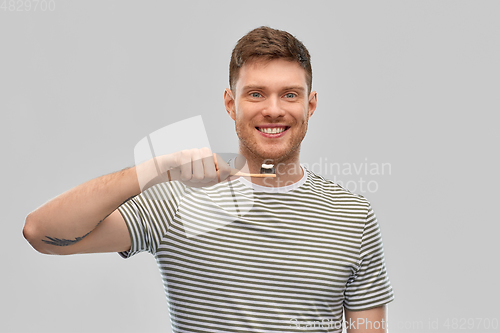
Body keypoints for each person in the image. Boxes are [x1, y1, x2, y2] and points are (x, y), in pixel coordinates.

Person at [24, 26, 394, 332]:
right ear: (231, 103)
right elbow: (41, 232)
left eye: (290, 95)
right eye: (255, 94)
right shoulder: (177, 199)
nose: (274, 109)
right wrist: (157, 168)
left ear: (309, 105)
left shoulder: (352, 215)